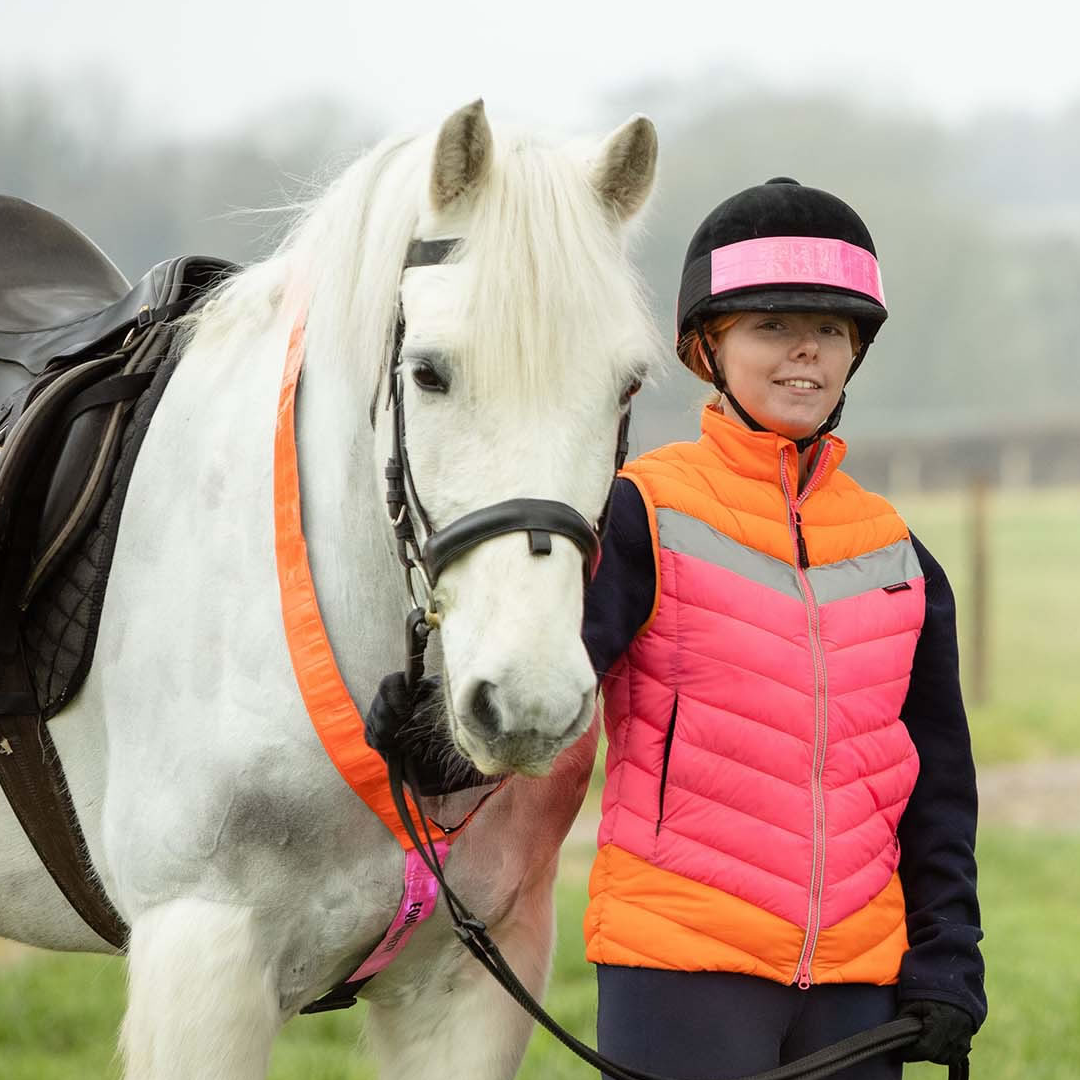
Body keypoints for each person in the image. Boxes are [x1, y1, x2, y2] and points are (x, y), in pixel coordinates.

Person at [580, 177, 986, 1080]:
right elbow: (534, 703)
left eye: (831, 329)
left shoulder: (897, 554)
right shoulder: (638, 511)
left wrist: (948, 958)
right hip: (679, 966)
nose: (806, 349)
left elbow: (936, 785)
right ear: (705, 349)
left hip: (857, 981)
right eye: (771, 325)